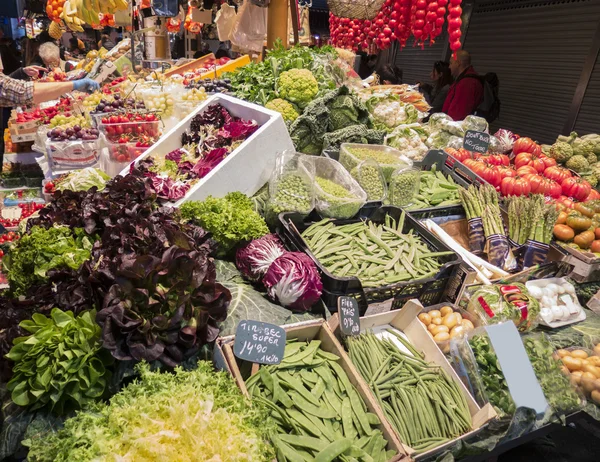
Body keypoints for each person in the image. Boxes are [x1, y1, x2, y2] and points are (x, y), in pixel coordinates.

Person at [442, 50, 483, 121]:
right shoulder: (464, 79)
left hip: (454, 125)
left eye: (451, 63)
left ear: (458, 63)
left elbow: (458, 113)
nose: (449, 67)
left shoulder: (467, 83)